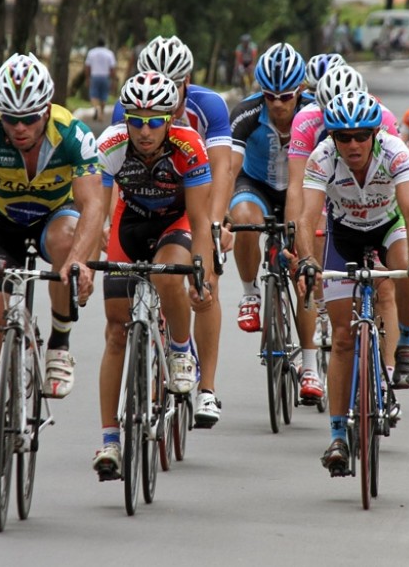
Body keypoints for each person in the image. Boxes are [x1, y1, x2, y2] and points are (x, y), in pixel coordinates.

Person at [0, 53, 102, 496]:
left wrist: (80, 259)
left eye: (30, 118)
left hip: (57, 216)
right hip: (3, 225)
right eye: (11, 118)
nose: (19, 128)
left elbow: (94, 205)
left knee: (65, 246)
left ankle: (59, 342)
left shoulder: (73, 133)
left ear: (47, 109)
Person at [293, 91, 409, 474]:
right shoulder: (321, 157)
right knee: (341, 337)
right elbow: (306, 218)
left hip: (389, 227)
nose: (352, 144)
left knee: (405, 267)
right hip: (346, 235)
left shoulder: (395, 152)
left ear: (374, 133)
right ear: (332, 138)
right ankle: (338, 435)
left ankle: (405, 343)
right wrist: (307, 262)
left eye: (360, 136)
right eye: (343, 137)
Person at [91, 72, 218, 478]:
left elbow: (200, 223)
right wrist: (90, 258)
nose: (144, 131)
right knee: (115, 328)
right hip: (130, 222)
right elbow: (99, 212)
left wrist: (201, 275)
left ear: (170, 119)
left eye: (154, 121)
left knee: (168, 277)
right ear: (125, 119)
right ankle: (110, 440)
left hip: (174, 221)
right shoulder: (110, 145)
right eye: (136, 120)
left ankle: (180, 351)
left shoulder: (189, 146)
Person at [109, 35, 231, 426]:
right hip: (142, 204)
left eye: (177, 85)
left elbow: (221, 169)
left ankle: (207, 389)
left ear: (187, 81)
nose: (169, 95)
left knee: (204, 283)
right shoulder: (129, 109)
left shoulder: (207, 106)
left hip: (193, 197)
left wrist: (216, 224)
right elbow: (114, 176)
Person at [286, 64, 401, 398]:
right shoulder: (308, 124)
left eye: (360, 133)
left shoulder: (385, 121)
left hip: (380, 208)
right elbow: (299, 190)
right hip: (333, 200)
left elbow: (402, 191)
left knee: (387, 284)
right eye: (335, 123)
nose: (350, 133)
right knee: (317, 231)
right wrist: (301, 248)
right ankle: (315, 345)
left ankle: (392, 364)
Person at [227, 42, 319, 399]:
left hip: (305, 188)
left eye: (285, 96)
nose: (277, 104)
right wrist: (220, 215)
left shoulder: (315, 113)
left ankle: (310, 365)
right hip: (258, 185)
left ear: (300, 91)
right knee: (244, 218)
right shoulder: (246, 114)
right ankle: (251, 293)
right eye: (269, 96)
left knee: (307, 273)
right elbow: (230, 168)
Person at [85, 38, 117, 121]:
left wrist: (87, 78)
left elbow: (88, 67)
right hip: (105, 77)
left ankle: (96, 108)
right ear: (104, 44)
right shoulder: (109, 53)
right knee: (104, 96)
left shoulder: (91, 53)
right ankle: (101, 113)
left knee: (93, 95)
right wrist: (113, 79)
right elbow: (112, 68)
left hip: (95, 76)